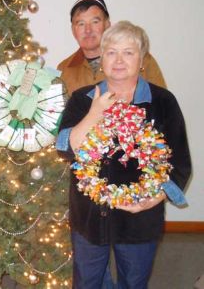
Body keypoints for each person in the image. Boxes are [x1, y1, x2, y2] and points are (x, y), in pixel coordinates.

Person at [56, 21, 191, 288]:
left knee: (134, 281)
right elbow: (64, 148)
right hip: (90, 215)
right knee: (87, 281)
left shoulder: (163, 102)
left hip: (139, 217)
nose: (119, 60)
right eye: (111, 52)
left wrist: (152, 200)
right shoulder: (83, 99)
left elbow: (180, 162)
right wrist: (94, 114)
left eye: (128, 52)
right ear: (102, 58)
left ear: (141, 60)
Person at [58, 0, 166, 96]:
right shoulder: (63, 69)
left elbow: (161, 105)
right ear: (73, 30)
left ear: (107, 25)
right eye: (81, 24)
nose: (88, 30)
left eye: (95, 22)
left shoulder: (141, 60)